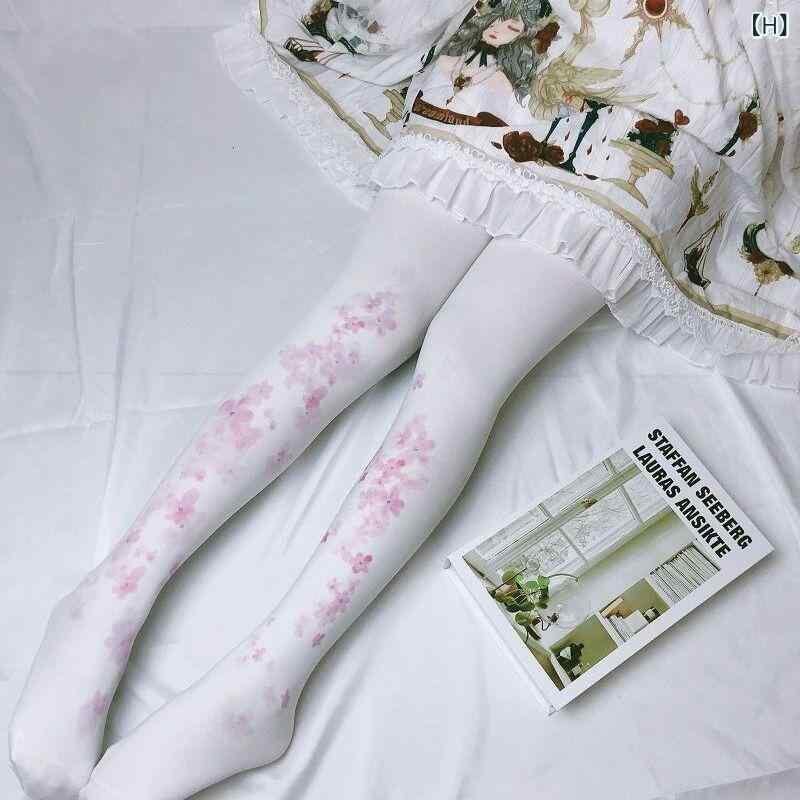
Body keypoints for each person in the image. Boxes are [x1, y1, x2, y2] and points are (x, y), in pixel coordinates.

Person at [8, 2, 799, 798]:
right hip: (564, 25)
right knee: (367, 315)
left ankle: (269, 675)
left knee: (467, 360)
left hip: (704, 80)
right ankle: (112, 592)